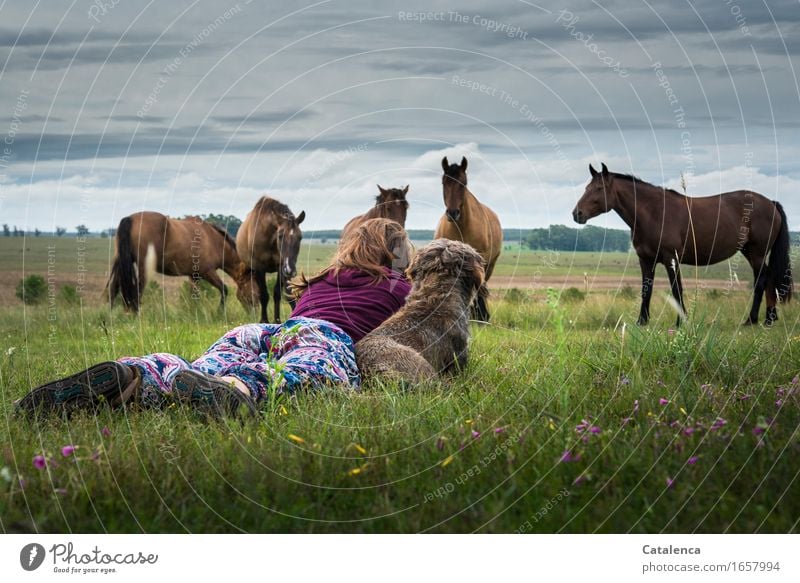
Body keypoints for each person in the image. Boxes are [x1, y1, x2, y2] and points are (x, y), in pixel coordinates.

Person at [16, 218, 413, 419]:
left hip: (266, 331)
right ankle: (237, 388)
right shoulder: (399, 288)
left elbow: (299, 319)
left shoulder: (322, 280)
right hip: (324, 338)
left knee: (202, 367)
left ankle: (138, 375)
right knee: (311, 370)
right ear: (393, 254)